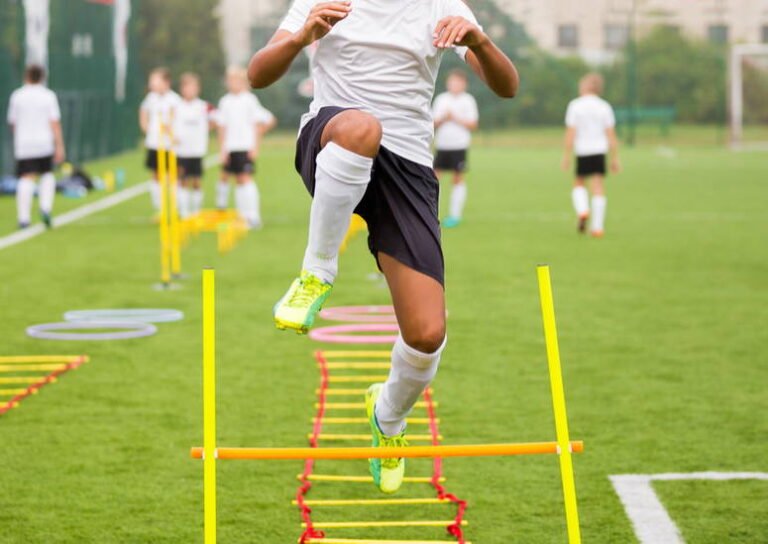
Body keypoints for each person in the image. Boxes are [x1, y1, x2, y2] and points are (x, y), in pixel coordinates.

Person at [248, 0, 518, 494]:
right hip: (335, 135)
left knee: (427, 333)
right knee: (363, 127)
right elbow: (258, 74)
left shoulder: (443, 6)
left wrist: (477, 41)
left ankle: (388, 414)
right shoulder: (324, 2)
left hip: (409, 168)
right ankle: (317, 272)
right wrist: (301, 35)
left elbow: (507, 86)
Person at [216, 66, 276, 228]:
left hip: (245, 146)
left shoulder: (249, 100)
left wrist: (255, 146)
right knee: (238, 180)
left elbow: (263, 122)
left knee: (246, 179)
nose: (232, 83)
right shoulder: (224, 101)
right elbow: (222, 128)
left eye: (235, 80)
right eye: (229, 80)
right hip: (231, 148)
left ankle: (253, 216)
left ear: (243, 82)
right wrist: (222, 149)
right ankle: (243, 216)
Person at [562, 73, 620, 237]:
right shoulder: (604, 106)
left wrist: (566, 155)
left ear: (586, 87)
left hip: (582, 150)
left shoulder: (575, 106)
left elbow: (571, 132)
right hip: (600, 150)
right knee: (598, 187)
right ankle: (597, 227)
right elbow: (610, 134)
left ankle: (582, 210)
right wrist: (615, 157)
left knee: (579, 183)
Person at [7, 64, 65, 229]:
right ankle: (45, 207)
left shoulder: (17, 96)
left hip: (24, 144)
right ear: (42, 77)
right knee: (47, 174)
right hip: (44, 142)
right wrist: (59, 145)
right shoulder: (48, 96)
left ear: (26, 76)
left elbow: (13, 123)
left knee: (25, 177)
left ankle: (23, 218)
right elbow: (54, 123)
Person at [432, 69, 478, 228]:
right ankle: (431, 214)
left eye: (457, 82)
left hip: (459, 145)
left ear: (464, 84)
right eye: (452, 82)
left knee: (457, 178)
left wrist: (455, 118)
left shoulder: (468, 100)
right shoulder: (441, 99)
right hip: (442, 145)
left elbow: (473, 124)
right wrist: (444, 118)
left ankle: (455, 215)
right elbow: (433, 123)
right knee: (434, 178)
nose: (454, 85)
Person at [139, 67, 181, 216]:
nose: (153, 84)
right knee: (156, 175)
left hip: (170, 145)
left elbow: (177, 120)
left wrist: (173, 133)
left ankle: (175, 208)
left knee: (173, 176)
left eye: (155, 80)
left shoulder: (174, 99)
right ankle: (160, 209)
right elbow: (143, 112)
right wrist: (146, 129)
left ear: (166, 82)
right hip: (154, 143)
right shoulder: (150, 98)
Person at [174, 72, 212, 219]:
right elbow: (169, 124)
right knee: (182, 181)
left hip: (197, 151)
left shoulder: (204, 106)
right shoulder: (177, 107)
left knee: (196, 181)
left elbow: (217, 120)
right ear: (182, 89)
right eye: (186, 87)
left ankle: (196, 211)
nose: (189, 90)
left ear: (198, 89)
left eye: (192, 87)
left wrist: (205, 131)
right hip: (182, 151)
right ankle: (184, 212)